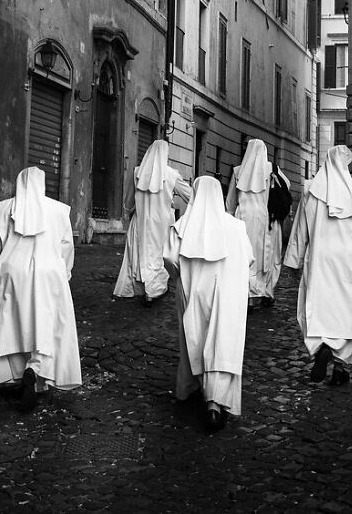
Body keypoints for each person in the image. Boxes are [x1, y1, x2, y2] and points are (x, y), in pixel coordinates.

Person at [0, 166, 82, 411]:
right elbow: (67, 247)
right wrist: (64, 273)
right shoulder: (58, 211)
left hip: (11, 272)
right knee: (46, 324)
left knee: (12, 324)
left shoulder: (4, 208)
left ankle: (18, 374)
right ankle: (35, 370)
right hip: (48, 273)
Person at [283, 146, 352, 386]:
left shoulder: (311, 190)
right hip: (350, 260)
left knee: (317, 306)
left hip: (320, 257)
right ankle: (340, 366)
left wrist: (294, 261)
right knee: (347, 311)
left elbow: (300, 230)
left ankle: (322, 347)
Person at [163, 176, 253, 432]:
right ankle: (215, 402)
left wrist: (184, 275)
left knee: (194, 337)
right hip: (227, 292)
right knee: (222, 340)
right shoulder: (236, 226)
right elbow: (249, 259)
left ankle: (191, 385)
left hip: (192, 290)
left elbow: (169, 259)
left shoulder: (182, 226)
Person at [113, 139, 192, 307]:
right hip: (161, 223)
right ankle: (153, 291)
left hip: (141, 221)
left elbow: (128, 201)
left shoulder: (137, 172)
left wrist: (129, 213)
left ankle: (141, 288)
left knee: (142, 253)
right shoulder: (171, 174)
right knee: (158, 255)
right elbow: (190, 196)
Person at [225, 138, 273, 309]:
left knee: (242, 254)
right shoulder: (268, 170)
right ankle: (255, 294)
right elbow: (268, 197)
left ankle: (242, 292)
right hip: (260, 216)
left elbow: (230, 201)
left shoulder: (238, 171)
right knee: (258, 256)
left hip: (241, 216)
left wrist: (229, 218)